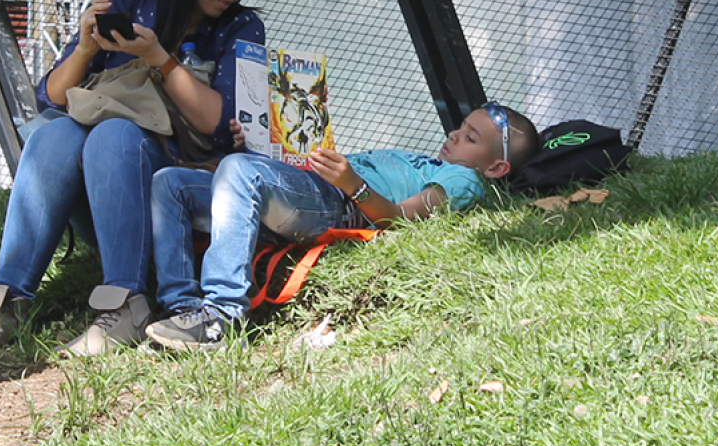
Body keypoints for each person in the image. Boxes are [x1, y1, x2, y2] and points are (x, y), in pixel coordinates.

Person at [0, 0, 267, 363]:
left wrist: (159, 58)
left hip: (173, 179)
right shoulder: (129, 4)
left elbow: (221, 125)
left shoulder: (241, 26)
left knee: (114, 134)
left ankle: (125, 302)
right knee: (53, 136)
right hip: (101, 179)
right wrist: (87, 45)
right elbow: (51, 98)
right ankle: (7, 303)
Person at [144, 103, 539, 351]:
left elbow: (398, 219)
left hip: (338, 204)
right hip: (305, 190)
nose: (455, 134)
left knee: (238, 170)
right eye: (461, 126)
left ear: (496, 168)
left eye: (470, 137)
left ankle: (223, 314)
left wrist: (354, 184)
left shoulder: (465, 180)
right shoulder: (426, 161)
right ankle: (183, 308)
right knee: (170, 182)